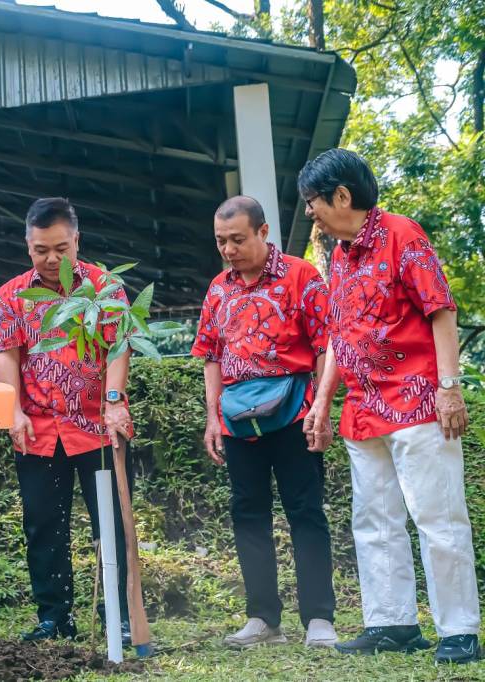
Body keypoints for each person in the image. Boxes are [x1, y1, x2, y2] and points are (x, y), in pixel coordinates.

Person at [300, 148, 481, 664]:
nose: (309, 212)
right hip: (363, 409)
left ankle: (459, 629)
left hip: (418, 401)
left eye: (313, 200)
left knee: (437, 517)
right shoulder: (338, 254)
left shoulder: (403, 233)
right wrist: (323, 401)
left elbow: (440, 310)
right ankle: (392, 622)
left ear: (341, 195)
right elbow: (338, 334)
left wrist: (449, 387)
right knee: (374, 520)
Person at [192, 195, 337, 649]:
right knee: (247, 515)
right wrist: (213, 418)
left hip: (294, 412)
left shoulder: (301, 275)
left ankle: (319, 619)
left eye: (237, 239)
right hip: (238, 421)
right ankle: (262, 618)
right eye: (221, 241)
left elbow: (325, 346)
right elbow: (211, 357)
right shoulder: (218, 288)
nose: (229, 249)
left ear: (262, 231)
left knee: (306, 512)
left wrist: (320, 409)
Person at [0, 197, 136, 643]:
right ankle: (54, 616)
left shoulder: (105, 287)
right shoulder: (11, 295)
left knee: (109, 523)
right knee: (43, 526)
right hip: (36, 431)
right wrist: (11, 410)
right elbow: (6, 355)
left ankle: (122, 615)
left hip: (96, 427)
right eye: (40, 250)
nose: (51, 259)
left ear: (77, 240)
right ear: (28, 245)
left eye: (60, 248)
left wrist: (114, 401)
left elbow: (119, 345)